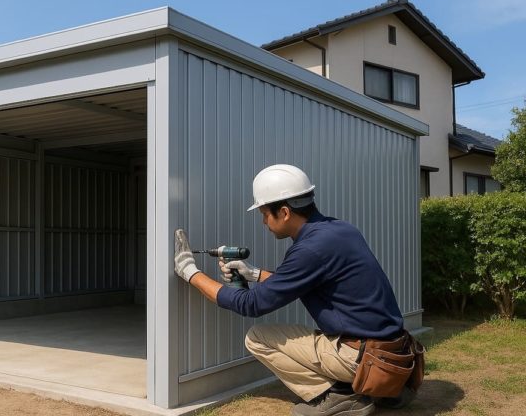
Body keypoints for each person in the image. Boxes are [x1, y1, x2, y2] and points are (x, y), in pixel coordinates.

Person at [173, 164, 406, 416]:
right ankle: (377, 387)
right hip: (394, 351)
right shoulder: (339, 230)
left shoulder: (310, 249)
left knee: (257, 338)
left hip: (361, 355)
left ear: (284, 212)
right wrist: (255, 274)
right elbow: (301, 280)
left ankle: (339, 396)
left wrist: (191, 273)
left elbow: (251, 304)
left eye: (264, 214)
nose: (263, 222)